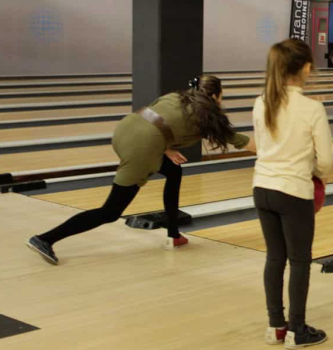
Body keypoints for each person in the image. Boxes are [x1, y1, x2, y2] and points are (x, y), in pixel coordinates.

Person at [27, 74, 254, 264]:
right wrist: (275, 154)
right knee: (110, 211)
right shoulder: (207, 117)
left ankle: (173, 234)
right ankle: (45, 238)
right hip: (141, 147)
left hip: (125, 129)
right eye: (221, 96)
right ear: (215, 96)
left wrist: (166, 149)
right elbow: (239, 140)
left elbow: (153, 119)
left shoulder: (176, 96)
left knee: (174, 171)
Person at [253, 39, 333, 350]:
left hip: (262, 188)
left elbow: (263, 147)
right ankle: (297, 330)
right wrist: (316, 173)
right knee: (299, 261)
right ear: (305, 68)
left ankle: (276, 326)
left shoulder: (261, 102)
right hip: (293, 192)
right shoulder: (312, 108)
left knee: (275, 257)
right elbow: (325, 160)